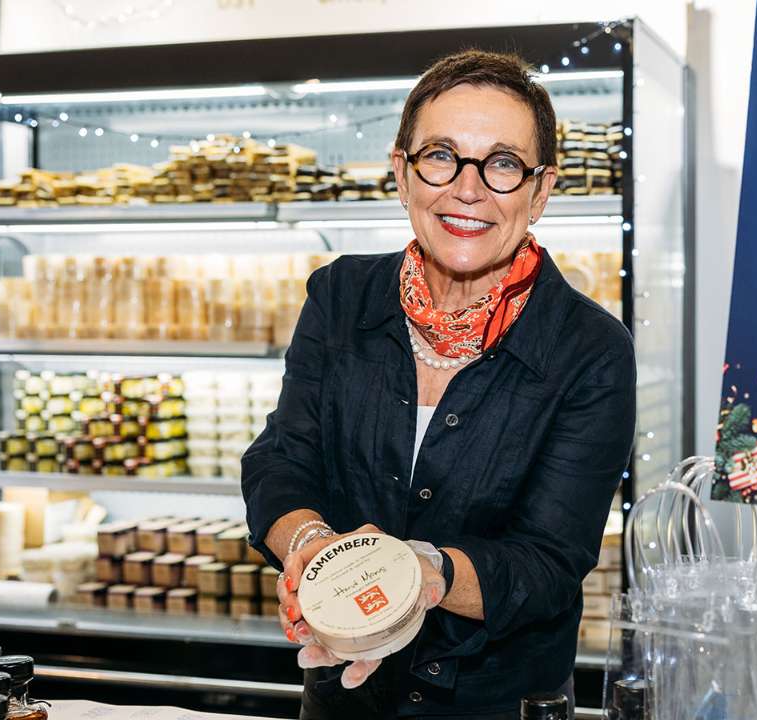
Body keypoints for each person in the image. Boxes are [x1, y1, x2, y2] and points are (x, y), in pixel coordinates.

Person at [241, 49, 636, 719]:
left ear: (541, 192)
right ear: (402, 173)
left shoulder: (590, 349)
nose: (468, 188)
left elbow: (548, 563)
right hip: (344, 702)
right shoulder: (341, 297)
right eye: (441, 156)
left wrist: (423, 575)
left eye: (504, 164)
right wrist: (310, 548)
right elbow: (283, 458)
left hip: (500, 705)